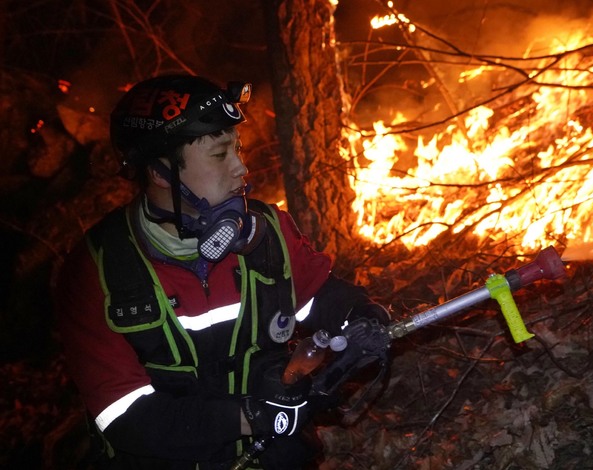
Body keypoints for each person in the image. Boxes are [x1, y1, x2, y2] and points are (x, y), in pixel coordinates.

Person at [53, 74, 390, 470]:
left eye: (238, 149)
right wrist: (253, 416)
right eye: (219, 154)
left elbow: (317, 299)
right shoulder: (96, 271)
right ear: (160, 171)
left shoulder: (269, 232)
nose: (241, 169)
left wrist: (362, 316)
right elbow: (125, 416)